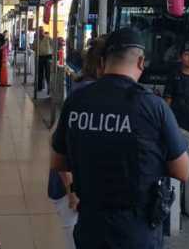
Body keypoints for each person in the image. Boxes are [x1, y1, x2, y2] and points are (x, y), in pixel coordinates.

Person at [51, 28, 189, 248]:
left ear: (104, 60)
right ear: (141, 62)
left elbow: (58, 162)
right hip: (136, 229)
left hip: (90, 225)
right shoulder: (154, 106)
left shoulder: (76, 101)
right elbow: (182, 172)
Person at [48, 36, 106, 249]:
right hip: (71, 190)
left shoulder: (86, 88)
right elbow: (59, 143)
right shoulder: (87, 94)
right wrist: (71, 189)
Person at [35, 27, 54, 94]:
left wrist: (52, 52)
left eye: (41, 31)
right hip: (40, 57)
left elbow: (54, 44)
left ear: (43, 31)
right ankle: (40, 87)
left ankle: (49, 88)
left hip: (48, 57)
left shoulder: (48, 38)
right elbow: (35, 47)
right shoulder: (36, 39)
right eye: (39, 31)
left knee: (47, 73)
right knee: (40, 73)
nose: (40, 32)